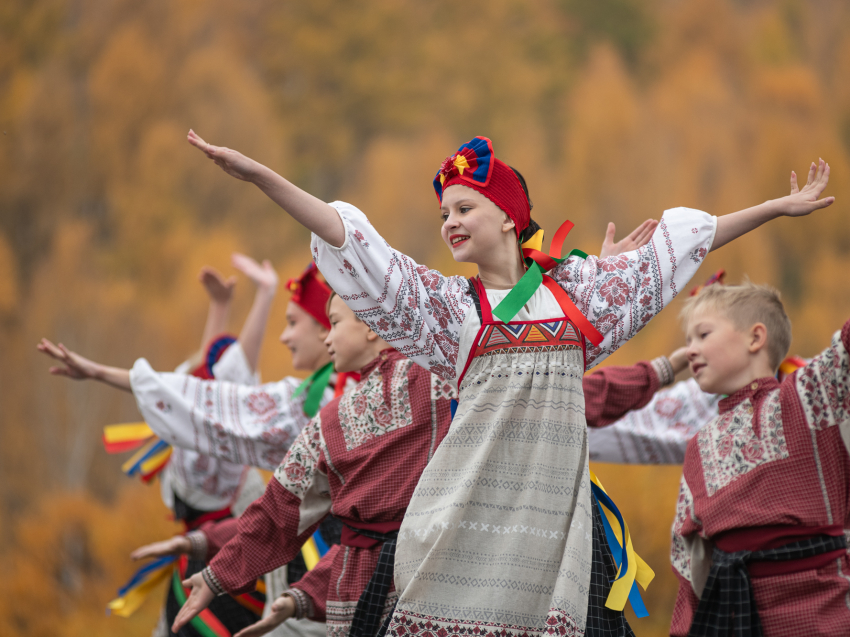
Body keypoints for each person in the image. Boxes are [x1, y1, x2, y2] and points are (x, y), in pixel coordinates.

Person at [183, 129, 833, 636]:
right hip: (460, 538)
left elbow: (677, 249)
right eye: (443, 213)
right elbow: (351, 240)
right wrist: (262, 177)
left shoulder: (581, 297)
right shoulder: (450, 312)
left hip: (555, 548)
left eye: (464, 206)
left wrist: (776, 207)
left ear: (507, 216)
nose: (450, 222)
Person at [39, 256, 341, 637]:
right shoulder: (308, 402)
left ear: (327, 329)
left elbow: (213, 402)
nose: (283, 337)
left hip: (318, 588)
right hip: (281, 575)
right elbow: (213, 397)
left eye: (293, 323)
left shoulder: (321, 405)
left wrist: (100, 373)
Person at [170, 293, 455, 637]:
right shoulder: (444, 378)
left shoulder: (330, 421)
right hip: (440, 574)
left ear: (368, 325)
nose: (327, 337)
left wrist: (217, 576)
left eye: (334, 323)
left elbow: (279, 512)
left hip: (365, 591)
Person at [670, 281, 850, 636]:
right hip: (732, 614)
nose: (690, 350)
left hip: (825, 607)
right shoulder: (698, 445)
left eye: (703, 334)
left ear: (755, 338)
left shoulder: (809, 394)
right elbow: (689, 565)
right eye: (688, 340)